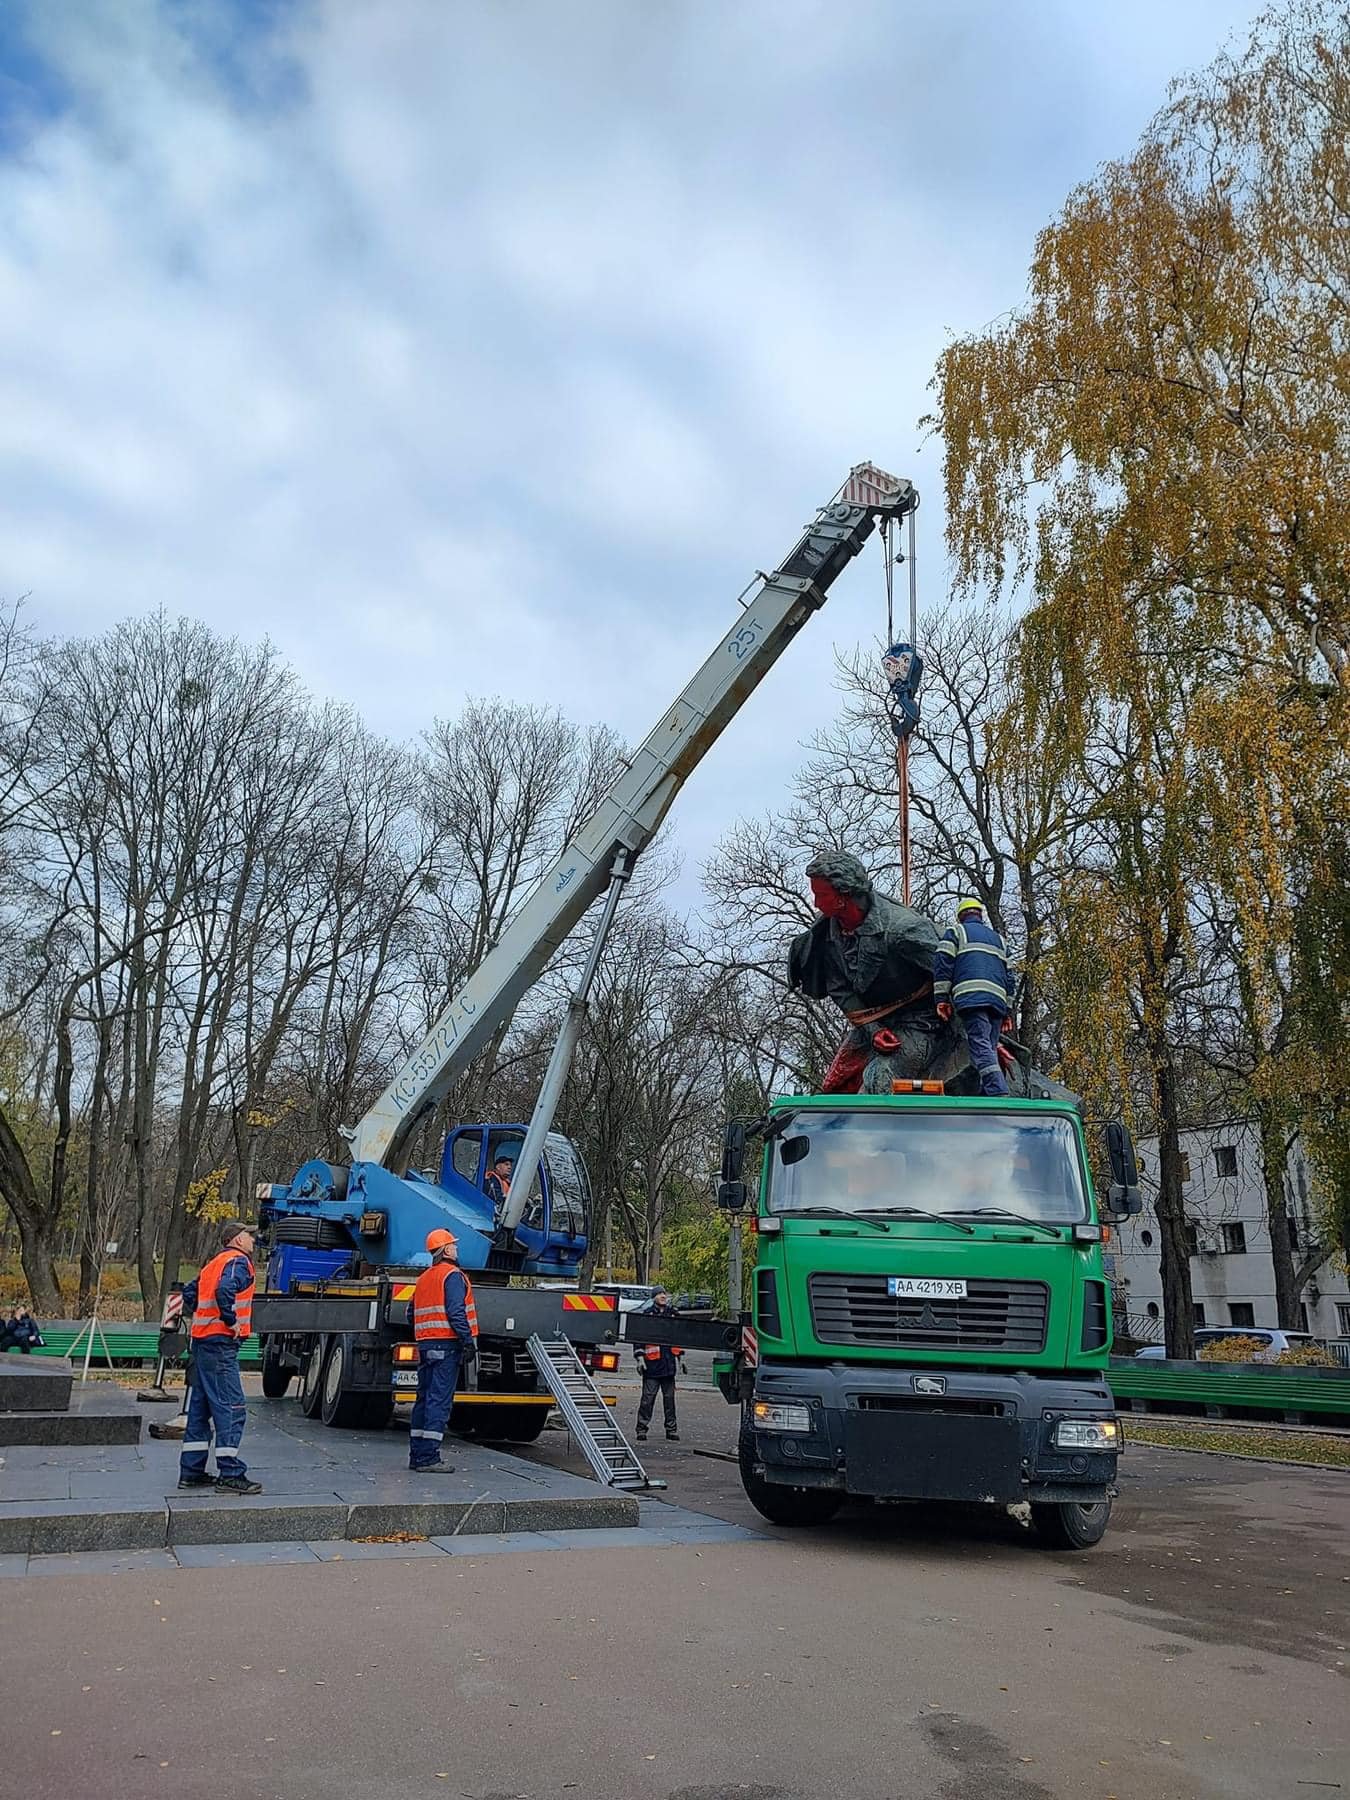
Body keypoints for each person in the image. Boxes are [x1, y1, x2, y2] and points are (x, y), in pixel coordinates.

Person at [178, 1220, 262, 1495]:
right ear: (236, 1239)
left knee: (200, 1410)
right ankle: (230, 1473)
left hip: (202, 1342)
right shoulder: (239, 1262)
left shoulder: (213, 1264)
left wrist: (203, 1319)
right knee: (231, 1407)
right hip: (221, 1343)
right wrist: (230, 1320)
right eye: (248, 1236)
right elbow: (225, 1290)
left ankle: (191, 1472)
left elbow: (189, 1293)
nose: (252, 1240)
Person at [409, 1228, 479, 1473]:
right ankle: (429, 1458)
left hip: (426, 1345)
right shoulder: (453, 1276)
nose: (457, 1249)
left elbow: (410, 1312)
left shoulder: (424, 1278)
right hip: (447, 1346)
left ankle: (417, 1454)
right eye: (454, 1245)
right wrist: (468, 1341)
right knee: (439, 1401)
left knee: (423, 1400)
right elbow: (456, 1312)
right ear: (447, 1249)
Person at [932, 899, 1015, 1098]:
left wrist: (941, 999)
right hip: (997, 1002)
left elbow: (943, 964)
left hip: (972, 997)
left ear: (961, 916)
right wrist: (1008, 1011)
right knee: (990, 1045)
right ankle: (985, 1094)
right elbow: (1011, 977)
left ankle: (998, 1091)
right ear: (980, 915)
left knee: (980, 1044)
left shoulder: (956, 933)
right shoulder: (999, 940)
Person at [633, 1289, 683, 1444]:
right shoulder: (647, 1316)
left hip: (668, 1367)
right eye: (660, 1294)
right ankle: (641, 1429)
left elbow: (679, 1337)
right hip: (652, 1367)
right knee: (647, 1400)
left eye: (664, 1294)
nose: (663, 1296)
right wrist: (640, 1358)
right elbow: (639, 1337)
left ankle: (671, 1430)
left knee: (669, 1400)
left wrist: (681, 1358)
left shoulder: (673, 1315)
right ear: (653, 1298)